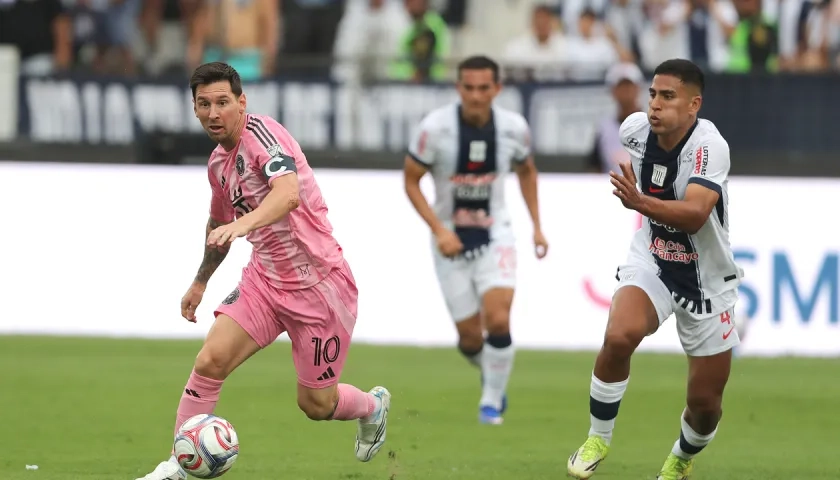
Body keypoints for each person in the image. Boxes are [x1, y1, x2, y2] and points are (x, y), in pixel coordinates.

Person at [136, 62, 390, 480]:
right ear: (194, 109)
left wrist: (243, 224)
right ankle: (179, 465)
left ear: (241, 102)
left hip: (320, 286)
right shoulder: (218, 165)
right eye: (204, 104)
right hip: (265, 282)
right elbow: (218, 225)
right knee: (210, 359)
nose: (213, 113)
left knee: (316, 405)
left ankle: (371, 406)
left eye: (222, 102)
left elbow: (287, 195)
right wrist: (201, 281)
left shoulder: (263, 136)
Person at [566, 58, 742, 480]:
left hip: (707, 280)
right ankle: (597, 438)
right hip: (654, 258)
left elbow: (697, 213)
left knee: (705, 406)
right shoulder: (634, 131)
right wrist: (644, 209)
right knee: (619, 334)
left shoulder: (709, 146)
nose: (655, 105)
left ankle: (681, 459)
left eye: (668, 96)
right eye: (652, 94)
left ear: (694, 104)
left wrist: (640, 203)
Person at [402, 55, 548, 426]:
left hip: (496, 232)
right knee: (470, 338)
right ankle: (491, 370)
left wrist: (537, 226)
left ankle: (491, 402)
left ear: (497, 89)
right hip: (449, 237)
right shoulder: (434, 129)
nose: (477, 95)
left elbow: (527, 171)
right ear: (458, 88)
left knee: (498, 321)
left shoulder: (514, 128)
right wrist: (439, 229)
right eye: (469, 87)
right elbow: (411, 180)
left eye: (485, 88)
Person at [586, 62, 645, 173]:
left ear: (638, 89)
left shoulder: (653, 126)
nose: (626, 91)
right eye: (621, 87)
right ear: (613, 91)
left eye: (629, 86)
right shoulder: (603, 129)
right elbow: (594, 167)